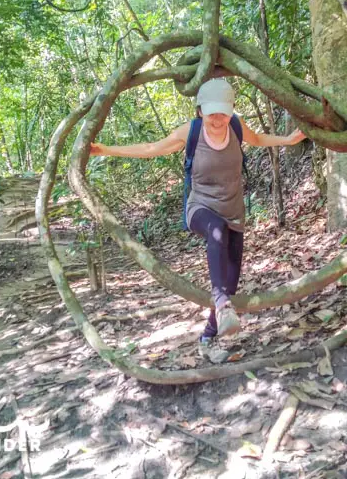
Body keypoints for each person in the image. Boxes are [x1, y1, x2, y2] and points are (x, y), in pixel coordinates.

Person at [90, 79, 306, 355]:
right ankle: (221, 302)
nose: (218, 119)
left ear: (231, 111)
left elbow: (260, 139)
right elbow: (150, 149)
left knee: (231, 281)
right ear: (201, 111)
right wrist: (107, 150)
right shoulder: (190, 132)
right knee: (216, 231)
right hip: (200, 208)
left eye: (224, 113)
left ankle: (209, 335)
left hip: (234, 211)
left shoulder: (237, 127)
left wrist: (288, 140)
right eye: (212, 113)